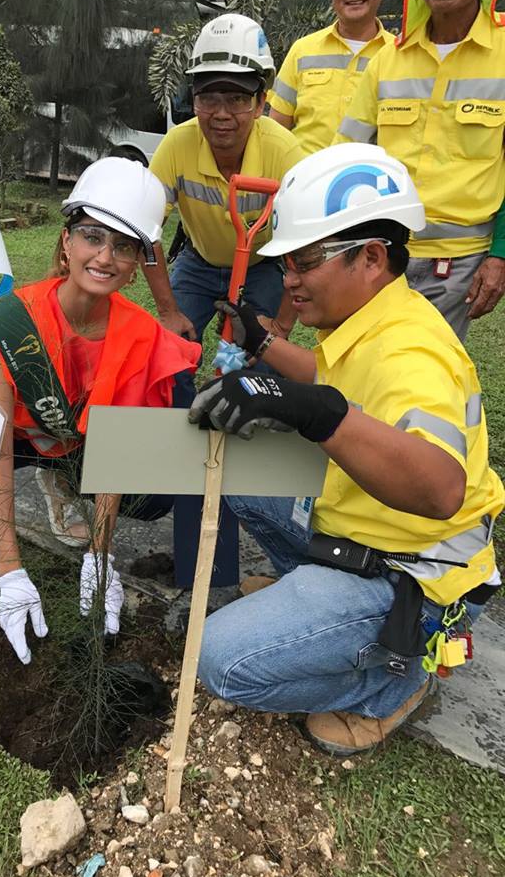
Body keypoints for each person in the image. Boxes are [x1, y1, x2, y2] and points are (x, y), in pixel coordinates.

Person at [190, 143, 503, 756]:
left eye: (305, 262)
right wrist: (261, 344)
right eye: (287, 264)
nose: (291, 281)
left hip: (414, 569)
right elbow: (327, 375)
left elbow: (441, 489)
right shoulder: (373, 317)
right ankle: (312, 599)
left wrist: (315, 412)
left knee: (220, 661)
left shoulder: (415, 352)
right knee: (245, 473)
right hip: (361, 521)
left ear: (371, 256)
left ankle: (393, 682)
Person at [0, 158, 201, 665]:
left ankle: (61, 485)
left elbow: (118, 450)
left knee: (154, 496)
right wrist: (15, 569)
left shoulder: (139, 334)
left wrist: (100, 555)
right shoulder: (14, 321)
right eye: (92, 236)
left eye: (123, 245)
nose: (105, 256)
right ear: (67, 241)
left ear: (136, 264)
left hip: (81, 443)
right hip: (17, 438)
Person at [335, 0, 505, 340]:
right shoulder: (388, 62)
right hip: (381, 252)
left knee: (425, 370)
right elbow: (344, 156)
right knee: (363, 362)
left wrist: (500, 255)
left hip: (458, 261)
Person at [147, 13, 305, 343]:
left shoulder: (285, 153)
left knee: (263, 358)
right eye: (208, 98)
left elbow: (306, 247)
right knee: (168, 353)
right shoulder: (177, 145)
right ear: (193, 101)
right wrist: (168, 312)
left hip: (261, 266)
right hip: (198, 262)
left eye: (236, 99)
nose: (221, 114)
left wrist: (281, 328)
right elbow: (144, 230)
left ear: (261, 102)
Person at [268, 0, 394, 154]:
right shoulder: (302, 51)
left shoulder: (398, 57)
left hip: (367, 186)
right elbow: (276, 132)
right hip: (304, 183)